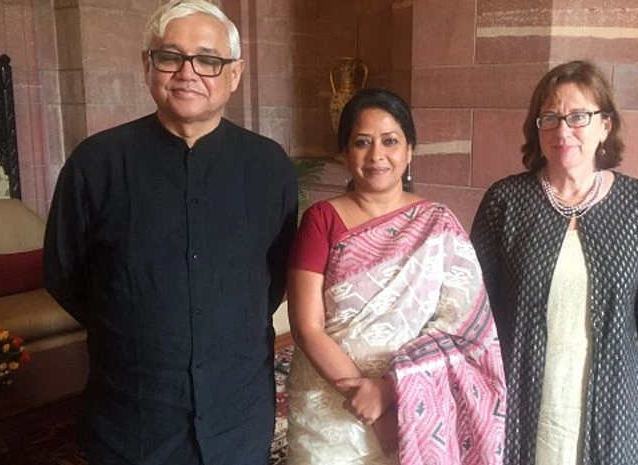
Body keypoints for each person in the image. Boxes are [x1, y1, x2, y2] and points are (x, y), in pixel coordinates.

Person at [43, 1, 298, 464]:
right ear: (147, 66)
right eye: (170, 57)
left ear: (234, 74)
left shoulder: (270, 166)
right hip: (132, 417)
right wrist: (138, 325)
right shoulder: (96, 164)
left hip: (237, 413)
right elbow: (65, 274)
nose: (188, 72)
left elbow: (275, 276)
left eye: (208, 59)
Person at [470, 60, 638, 465]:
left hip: (613, 402)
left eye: (578, 116)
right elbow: (474, 309)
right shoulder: (506, 202)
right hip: (521, 396)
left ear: (606, 125)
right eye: (549, 118)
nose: (562, 131)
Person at [285, 88, 506, 465]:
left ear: (409, 151)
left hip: (415, 405)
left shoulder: (438, 223)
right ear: (343, 152)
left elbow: (464, 327)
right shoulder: (321, 219)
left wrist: (389, 394)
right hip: (330, 406)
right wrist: (365, 399)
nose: (377, 156)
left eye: (390, 141)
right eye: (362, 142)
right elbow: (306, 326)